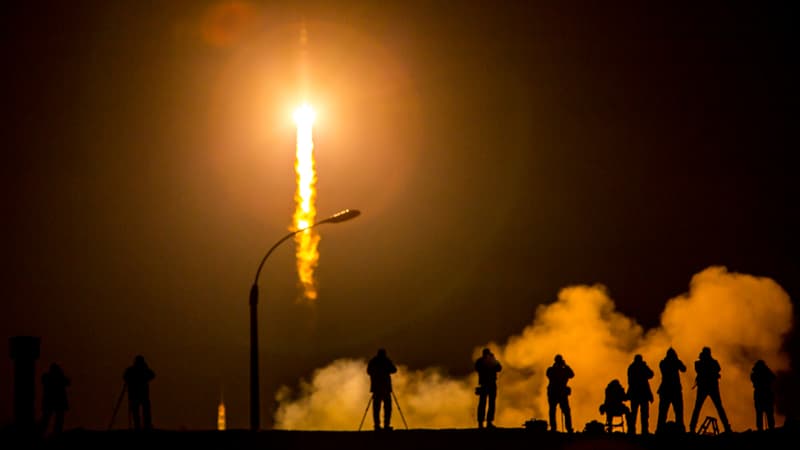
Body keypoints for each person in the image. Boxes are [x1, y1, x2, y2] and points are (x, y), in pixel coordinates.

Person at [688, 347, 732, 433]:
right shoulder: (711, 363)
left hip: (704, 387)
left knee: (698, 407)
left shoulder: (699, 363)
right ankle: (727, 427)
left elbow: (701, 370)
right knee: (718, 407)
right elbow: (717, 369)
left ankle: (692, 427)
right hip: (712, 387)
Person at [656, 347, 686, 433]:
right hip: (674, 390)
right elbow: (683, 369)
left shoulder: (663, 363)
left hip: (665, 390)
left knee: (663, 412)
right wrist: (677, 361)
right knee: (678, 411)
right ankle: (680, 430)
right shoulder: (672, 362)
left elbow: (683, 369)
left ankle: (660, 430)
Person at [367, 348, 397, 431]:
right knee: (387, 407)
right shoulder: (386, 361)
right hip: (385, 388)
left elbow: (369, 371)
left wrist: (376, 373)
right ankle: (386, 425)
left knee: (377, 408)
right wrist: (385, 370)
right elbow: (394, 370)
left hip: (377, 388)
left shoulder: (373, 361)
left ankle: (377, 425)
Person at [124, 355, 155, 430]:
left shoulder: (132, 370)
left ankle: (142, 426)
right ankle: (142, 426)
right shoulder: (139, 370)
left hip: (138, 394)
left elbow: (152, 375)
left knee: (140, 411)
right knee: (140, 411)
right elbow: (152, 375)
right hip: (140, 394)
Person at [474, 348, 502, 429]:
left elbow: (499, 368)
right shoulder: (481, 361)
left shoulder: (486, 361)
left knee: (489, 404)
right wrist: (491, 362)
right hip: (486, 384)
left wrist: (493, 360)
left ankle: (487, 422)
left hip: (489, 383)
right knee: (485, 404)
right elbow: (477, 368)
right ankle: (482, 423)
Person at [546, 354, 574, 433]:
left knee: (564, 411)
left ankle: (567, 428)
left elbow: (572, 375)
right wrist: (565, 367)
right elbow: (549, 375)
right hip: (555, 392)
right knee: (554, 411)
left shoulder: (563, 370)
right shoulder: (552, 370)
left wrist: (565, 366)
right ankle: (555, 428)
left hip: (559, 393)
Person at [627, 354, 654, 434]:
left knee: (634, 413)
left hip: (635, 394)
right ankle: (644, 431)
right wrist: (644, 366)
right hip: (643, 394)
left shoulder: (631, 367)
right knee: (644, 414)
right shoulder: (642, 367)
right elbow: (651, 374)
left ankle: (632, 430)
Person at [40, 363, 70, 435]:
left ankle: (44, 433)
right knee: (54, 420)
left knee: (50, 419)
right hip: (56, 402)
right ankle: (54, 433)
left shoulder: (48, 378)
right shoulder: (53, 378)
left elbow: (67, 382)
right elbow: (67, 381)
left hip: (51, 402)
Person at [750, 359, 776, 431]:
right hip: (767, 395)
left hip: (759, 396)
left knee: (759, 414)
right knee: (769, 413)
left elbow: (753, 379)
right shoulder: (766, 372)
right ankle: (771, 428)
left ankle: (760, 429)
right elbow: (773, 378)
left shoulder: (754, 374)